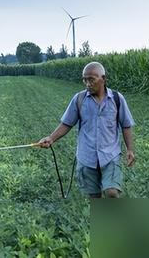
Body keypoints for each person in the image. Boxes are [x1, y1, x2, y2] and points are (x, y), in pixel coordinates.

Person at [37, 62, 135, 198]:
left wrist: (130, 149)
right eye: (85, 80)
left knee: (112, 192)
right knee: (94, 197)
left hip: (110, 155)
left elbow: (126, 125)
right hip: (86, 156)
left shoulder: (117, 99)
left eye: (91, 79)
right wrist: (51, 138)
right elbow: (67, 123)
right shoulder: (79, 99)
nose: (87, 83)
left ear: (104, 79)